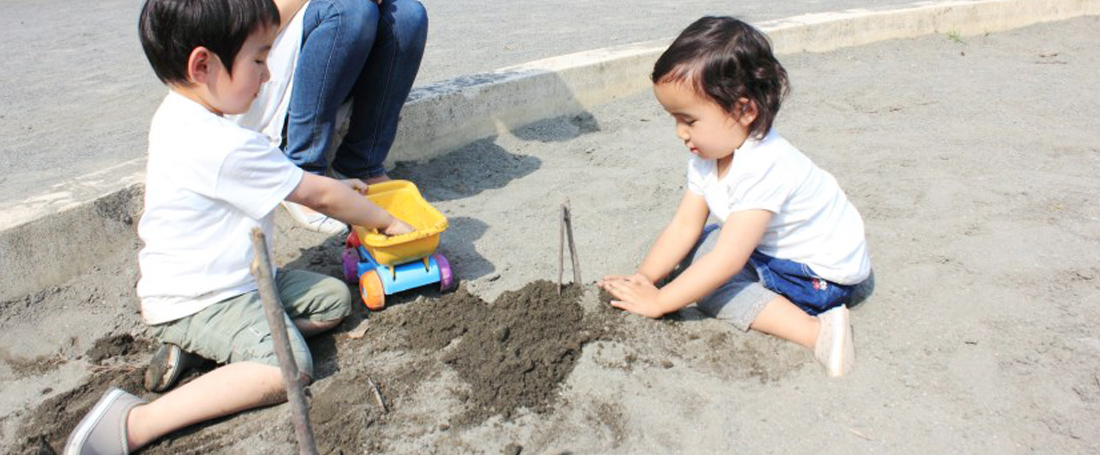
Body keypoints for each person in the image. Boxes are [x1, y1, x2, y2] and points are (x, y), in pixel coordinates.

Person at [63, 1, 414, 453]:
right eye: (259, 60)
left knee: (334, 301)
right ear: (203, 64)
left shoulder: (181, 114)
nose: (268, 76)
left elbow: (301, 183)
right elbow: (317, 196)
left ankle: (202, 349)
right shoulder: (225, 145)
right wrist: (386, 221)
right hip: (202, 298)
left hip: (234, 281)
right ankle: (133, 423)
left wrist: (336, 184)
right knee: (287, 368)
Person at [598, 16, 873, 378]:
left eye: (689, 120)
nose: (680, 133)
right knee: (702, 243)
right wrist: (646, 278)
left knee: (712, 289)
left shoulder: (765, 165)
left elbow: (728, 261)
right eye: (674, 120)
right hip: (783, 254)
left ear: (744, 110)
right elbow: (684, 225)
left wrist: (661, 302)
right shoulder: (706, 157)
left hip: (820, 276)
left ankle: (819, 332)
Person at [234, 0, 429, 234]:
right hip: (265, 43)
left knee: (408, 15)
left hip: (328, 42)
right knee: (351, 9)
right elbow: (255, 22)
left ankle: (361, 163)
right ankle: (303, 171)